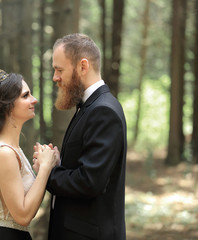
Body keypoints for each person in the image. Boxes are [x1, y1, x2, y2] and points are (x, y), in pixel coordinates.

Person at [33, 33, 127, 239]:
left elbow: (89, 181)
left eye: (59, 70)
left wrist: (47, 172)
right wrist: (60, 164)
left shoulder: (104, 111)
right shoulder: (89, 106)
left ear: (83, 67)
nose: (54, 77)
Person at [0, 69, 58, 240]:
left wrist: (45, 167)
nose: (34, 100)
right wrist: (45, 169)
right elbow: (23, 216)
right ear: (8, 105)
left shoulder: (12, 150)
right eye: (25, 96)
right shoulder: (4, 153)